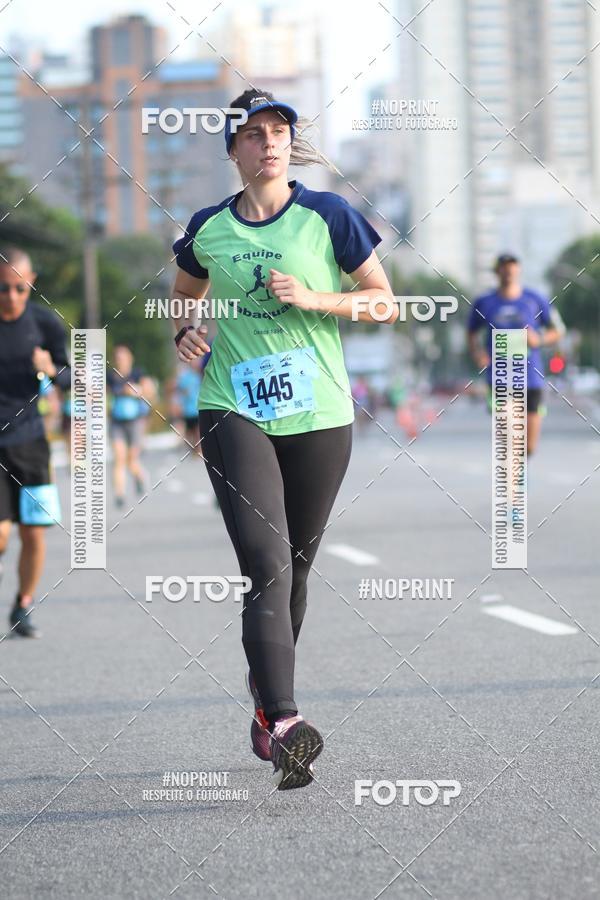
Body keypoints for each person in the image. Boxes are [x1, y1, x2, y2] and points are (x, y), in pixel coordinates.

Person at [171, 88, 397, 790]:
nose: (269, 141)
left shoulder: (328, 215)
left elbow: (385, 302)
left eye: (280, 130)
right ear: (233, 149)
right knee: (265, 564)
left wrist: (315, 297)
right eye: (254, 132)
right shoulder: (208, 228)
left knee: (295, 570)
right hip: (234, 408)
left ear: (289, 143)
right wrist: (186, 330)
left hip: (321, 417)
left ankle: (266, 711)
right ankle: (290, 721)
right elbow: (184, 294)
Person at [0, 247, 70, 638]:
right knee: (1, 533)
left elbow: (74, 377)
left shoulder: (45, 324)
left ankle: (23, 604)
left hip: (31, 442)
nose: (11, 296)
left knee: (33, 531)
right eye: (3, 288)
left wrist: (51, 369)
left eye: (19, 288)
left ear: (31, 284)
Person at [467, 253, 564, 456]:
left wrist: (539, 340)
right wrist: (478, 354)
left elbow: (557, 330)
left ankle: (516, 477)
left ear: (518, 270)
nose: (508, 271)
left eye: (512, 267)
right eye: (503, 267)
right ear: (497, 271)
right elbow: (471, 332)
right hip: (500, 377)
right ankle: (511, 484)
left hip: (531, 378)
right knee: (510, 437)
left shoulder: (535, 299)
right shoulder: (485, 302)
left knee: (529, 447)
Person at [107, 345, 149, 507]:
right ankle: (119, 494)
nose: (121, 361)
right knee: (119, 458)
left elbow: (148, 390)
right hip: (117, 421)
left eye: (123, 358)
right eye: (118, 358)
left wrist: (135, 391)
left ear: (130, 359)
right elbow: (103, 394)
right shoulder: (111, 377)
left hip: (135, 421)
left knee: (131, 460)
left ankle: (140, 477)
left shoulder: (137, 373)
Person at [166, 360, 203, 455]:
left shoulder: (200, 375)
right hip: (187, 409)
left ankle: (198, 449)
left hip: (197, 408)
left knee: (197, 430)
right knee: (189, 431)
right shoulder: (184, 377)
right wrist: (177, 405)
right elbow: (177, 390)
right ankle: (194, 448)